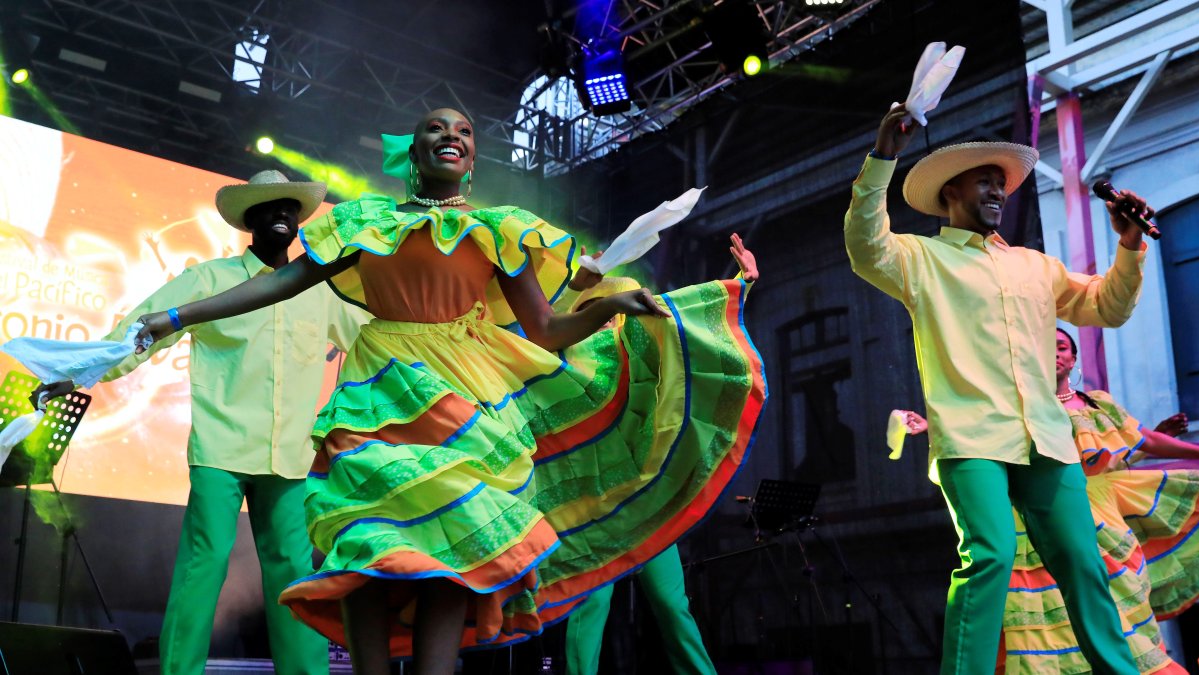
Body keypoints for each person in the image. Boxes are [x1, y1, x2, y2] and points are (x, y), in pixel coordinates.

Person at [115, 108, 766, 675]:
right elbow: (275, 285)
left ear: (472, 159)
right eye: (435, 127)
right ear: (416, 152)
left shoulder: (500, 230)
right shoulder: (369, 223)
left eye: (462, 130)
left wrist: (609, 306)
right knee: (367, 545)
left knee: (455, 549)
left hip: (462, 400)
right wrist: (174, 316)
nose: (450, 135)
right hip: (378, 393)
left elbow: (545, 328)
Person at [846, 103, 1152, 674]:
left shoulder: (1036, 267)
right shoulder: (921, 257)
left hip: (1045, 438)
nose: (997, 190)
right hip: (970, 437)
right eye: (984, 180)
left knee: (1084, 562)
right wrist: (883, 158)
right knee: (990, 554)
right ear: (950, 192)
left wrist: (1130, 245)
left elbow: (1107, 306)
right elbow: (865, 245)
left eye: (1001, 182)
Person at [34, 170, 371, 675]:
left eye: (290, 208)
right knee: (203, 568)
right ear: (248, 220)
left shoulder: (321, 293)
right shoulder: (208, 281)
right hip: (221, 449)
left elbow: (373, 344)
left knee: (296, 578)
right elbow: (137, 333)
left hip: (293, 458)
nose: (281, 214)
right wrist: (72, 375)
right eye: (268, 207)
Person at [898, 328, 1199, 673]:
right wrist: (934, 427)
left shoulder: (1096, 402)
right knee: (1041, 611)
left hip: (1103, 516)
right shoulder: (1016, 405)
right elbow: (978, 435)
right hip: (1041, 511)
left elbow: (1144, 438)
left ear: (1073, 359)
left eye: (1061, 347)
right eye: (1046, 347)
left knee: (1113, 601)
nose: (1054, 353)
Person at [563, 233, 758, 675]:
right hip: (590, 505)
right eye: (606, 314)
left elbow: (695, 331)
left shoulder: (644, 356)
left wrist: (741, 283)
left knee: (673, 607)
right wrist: (578, 285)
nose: (615, 323)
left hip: (643, 498)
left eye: (621, 312)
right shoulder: (566, 362)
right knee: (589, 609)